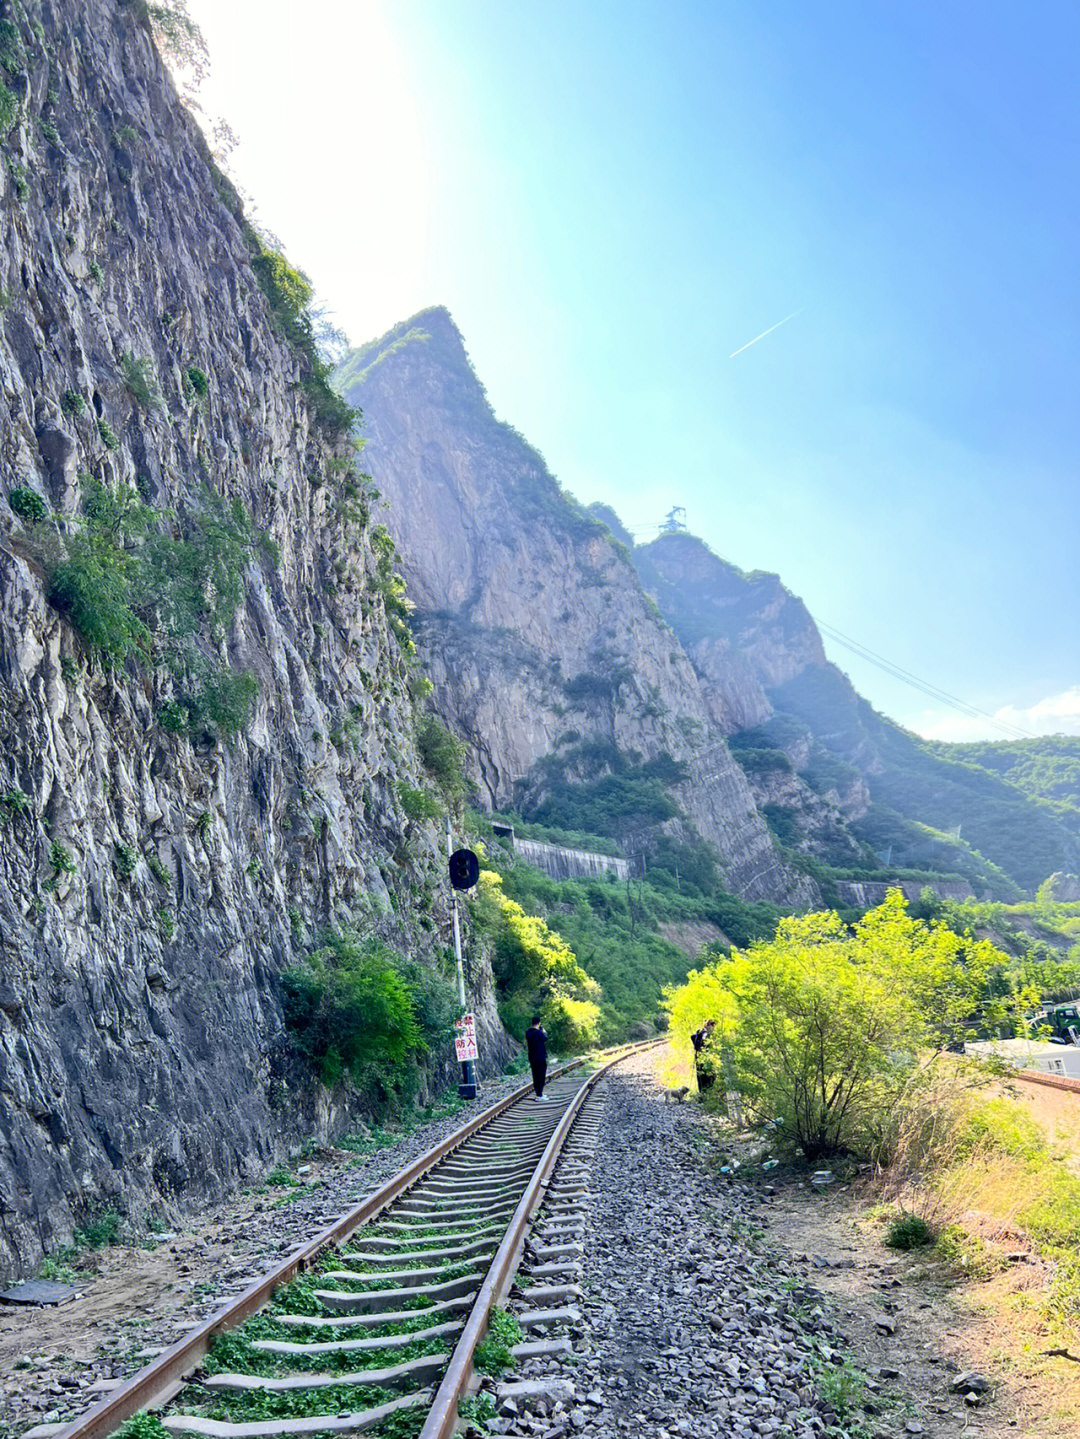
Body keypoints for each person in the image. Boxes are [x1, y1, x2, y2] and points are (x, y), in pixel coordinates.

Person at [524, 1015, 548, 1101]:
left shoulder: (528, 1032)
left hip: (532, 1057)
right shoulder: (539, 1033)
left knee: (535, 1075)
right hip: (540, 1056)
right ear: (539, 1023)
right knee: (541, 1075)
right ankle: (539, 1095)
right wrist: (543, 1031)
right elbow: (545, 1038)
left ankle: (538, 1094)